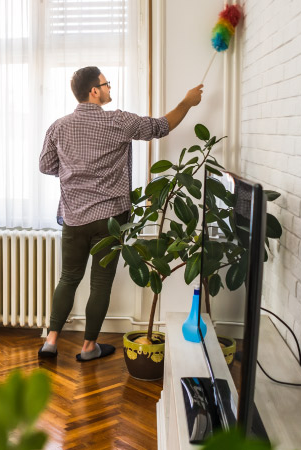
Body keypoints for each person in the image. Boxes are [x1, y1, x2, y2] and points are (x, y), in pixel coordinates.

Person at [38, 66, 203, 361]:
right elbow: (162, 126)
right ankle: (89, 348)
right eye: (106, 84)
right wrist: (187, 103)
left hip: (74, 217)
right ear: (94, 91)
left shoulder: (58, 126)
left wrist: (76, 174)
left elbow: (47, 166)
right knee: (100, 283)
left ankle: (51, 341)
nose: (110, 89)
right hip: (110, 219)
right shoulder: (118, 121)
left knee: (68, 278)